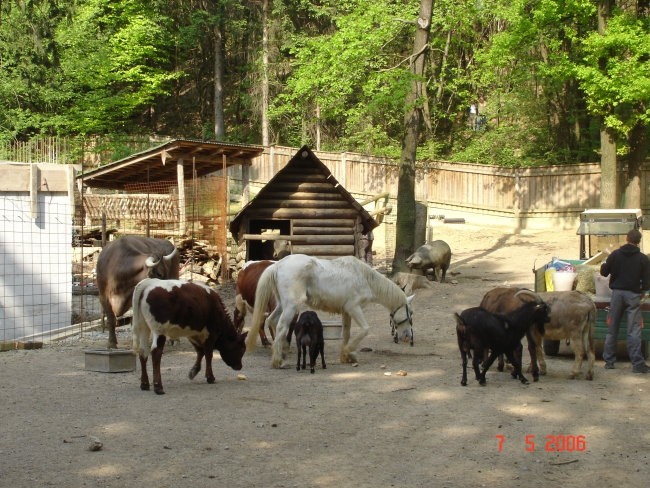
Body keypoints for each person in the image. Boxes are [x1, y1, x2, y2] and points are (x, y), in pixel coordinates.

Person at [600, 228, 650, 373]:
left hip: (617, 295)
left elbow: (604, 272)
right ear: (638, 242)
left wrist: (604, 263)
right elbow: (647, 282)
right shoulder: (643, 259)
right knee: (633, 331)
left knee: (612, 328)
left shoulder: (615, 255)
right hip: (633, 296)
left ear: (627, 238)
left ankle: (609, 362)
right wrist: (642, 292)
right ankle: (637, 364)